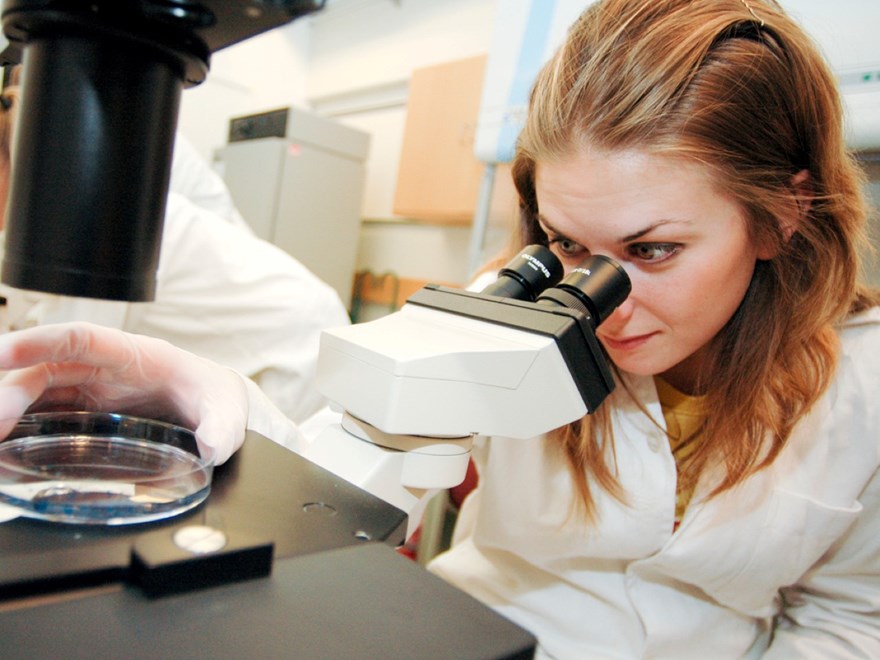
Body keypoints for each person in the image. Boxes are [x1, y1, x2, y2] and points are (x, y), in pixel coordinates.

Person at [0, 0, 879, 655]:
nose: (599, 295)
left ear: (781, 214)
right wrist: (208, 401)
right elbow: (348, 470)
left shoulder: (864, 383)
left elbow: (847, 616)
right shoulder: (516, 308)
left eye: (650, 251)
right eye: (567, 244)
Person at [0, 80, 351, 425]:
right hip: (273, 325)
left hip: (300, 345)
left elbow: (62, 355)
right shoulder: (78, 203)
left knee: (257, 464)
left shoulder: (104, 216)